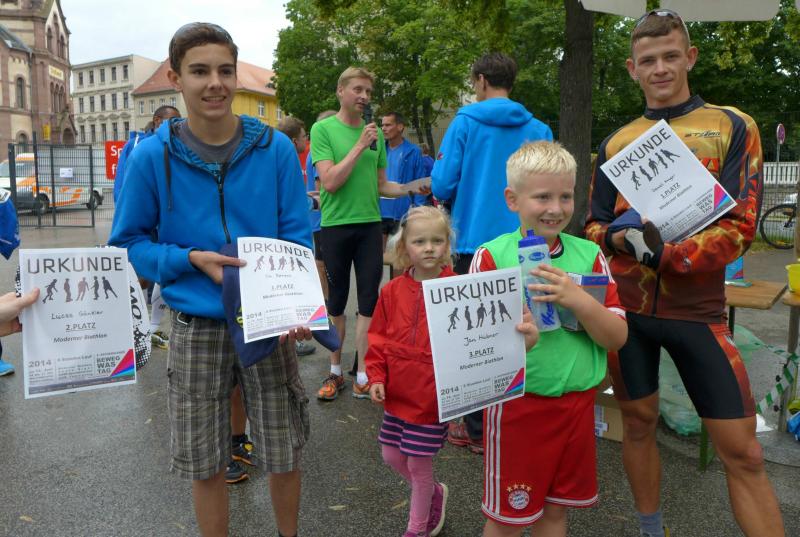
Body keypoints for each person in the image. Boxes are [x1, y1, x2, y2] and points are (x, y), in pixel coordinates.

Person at [584, 9, 785, 537]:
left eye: (671, 56)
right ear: (632, 68)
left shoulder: (732, 125)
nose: (661, 69)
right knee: (638, 424)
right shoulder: (616, 142)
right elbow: (592, 225)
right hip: (628, 314)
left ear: (690, 57)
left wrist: (664, 255)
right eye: (648, 60)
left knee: (743, 453)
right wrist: (617, 239)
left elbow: (740, 227)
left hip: (697, 313)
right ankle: (651, 530)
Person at [108, 22, 313, 537]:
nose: (215, 83)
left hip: (268, 321)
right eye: (200, 71)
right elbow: (128, 244)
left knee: (283, 449)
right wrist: (188, 259)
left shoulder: (274, 149)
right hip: (196, 323)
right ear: (177, 78)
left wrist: (300, 306)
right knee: (205, 461)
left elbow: (297, 237)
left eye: (225, 70)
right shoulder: (152, 156)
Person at [474, 141, 627, 537]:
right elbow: (475, 351)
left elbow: (617, 337)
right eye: (542, 197)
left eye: (565, 196)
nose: (555, 208)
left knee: (555, 513)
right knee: (507, 521)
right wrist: (517, 346)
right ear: (512, 199)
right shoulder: (491, 257)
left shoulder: (589, 255)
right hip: (518, 409)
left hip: (577, 407)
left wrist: (579, 300)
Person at [365, 206, 538, 537]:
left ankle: (416, 528)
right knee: (391, 455)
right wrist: (375, 376)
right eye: (419, 241)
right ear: (404, 247)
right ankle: (433, 492)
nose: (429, 248)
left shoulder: (460, 289)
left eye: (437, 240)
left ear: (448, 244)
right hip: (397, 393)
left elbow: (480, 338)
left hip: (432, 397)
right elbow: (378, 338)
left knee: (418, 463)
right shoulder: (391, 291)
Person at [431, 52, 553, 454]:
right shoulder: (538, 128)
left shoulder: (465, 122)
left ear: (482, 80)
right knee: (525, 328)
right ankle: (517, 415)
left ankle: (477, 429)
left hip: (475, 245)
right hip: (527, 242)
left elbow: (442, 183)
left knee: (476, 335)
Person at [310, 66, 428, 401]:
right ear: (341, 91)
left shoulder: (374, 135)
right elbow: (330, 181)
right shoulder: (323, 129)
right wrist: (360, 145)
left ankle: (363, 374)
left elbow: (381, 185)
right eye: (358, 90)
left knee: (368, 303)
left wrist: (411, 187)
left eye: (368, 92)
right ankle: (335, 371)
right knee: (336, 303)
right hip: (335, 227)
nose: (364, 97)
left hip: (369, 227)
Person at [278, 115, 317, 358]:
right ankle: (292, 340)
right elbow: (287, 201)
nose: (306, 140)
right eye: (304, 136)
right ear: (294, 141)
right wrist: (313, 202)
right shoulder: (287, 158)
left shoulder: (274, 155)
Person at [379, 112, 428, 249]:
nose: (383, 128)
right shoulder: (378, 150)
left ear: (400, 127)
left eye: (388, 125)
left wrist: (418, 211)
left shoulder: (413, 151)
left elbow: (419, 181)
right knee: (378, 257)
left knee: (399, 256)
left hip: (402, 212)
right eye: (382, 125)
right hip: (379, 211)